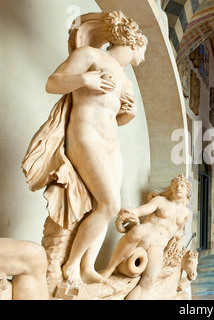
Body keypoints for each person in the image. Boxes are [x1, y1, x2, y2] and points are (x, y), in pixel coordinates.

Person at [22, 11, 147, 287]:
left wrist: (131, 114)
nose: (143, 58)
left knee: (106, 207)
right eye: (143, 50)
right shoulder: (91, 55)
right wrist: (85, 80)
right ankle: (70, 264)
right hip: (85, 137)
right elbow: (52, 82)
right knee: (110, 203)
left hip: (111, 144)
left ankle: (88, 267)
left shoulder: (125, 81)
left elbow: (115, 119)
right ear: (133, 41)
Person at [100, 175, 192, 300]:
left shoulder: (186, 213)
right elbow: (141, 210)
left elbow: (176, 230)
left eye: (182, 186)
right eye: (176, 185)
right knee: (138, 231)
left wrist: (179, 239)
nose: (178, 188)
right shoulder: (160, 201)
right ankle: (109, 269)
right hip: (148, 234)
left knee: (149, 281)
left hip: (159, 246)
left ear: (187, 190)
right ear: (171, 187)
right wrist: (131, 212)